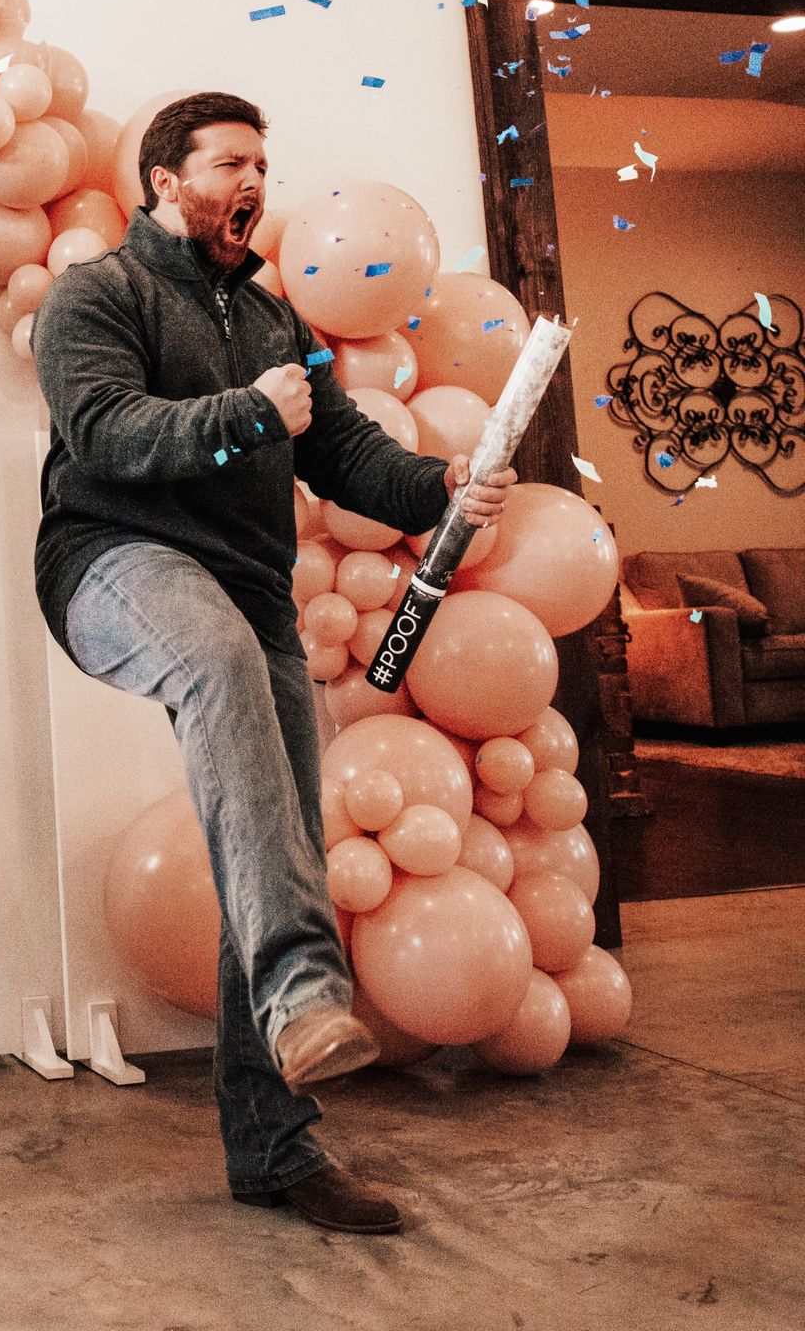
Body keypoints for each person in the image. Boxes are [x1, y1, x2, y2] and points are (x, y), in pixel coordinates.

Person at [31, 90, 514, 1235]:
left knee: (280, 840)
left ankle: (274, 1149)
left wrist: (441, 484)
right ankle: (302, 990)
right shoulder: (97, 293)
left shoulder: (272, 318)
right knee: (214, 660)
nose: (253, 181)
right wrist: (249, 413)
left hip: (250, 591)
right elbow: (105, 433)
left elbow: (347, 457)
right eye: (229, 163)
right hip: (113, 560)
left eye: (262, 164)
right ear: (166, 182)